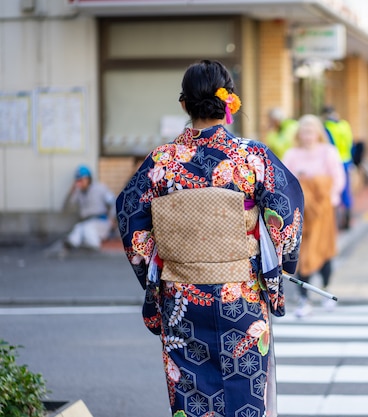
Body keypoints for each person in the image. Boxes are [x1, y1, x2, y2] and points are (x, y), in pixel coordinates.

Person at [115, 60, 304, 417]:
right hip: (242, 296)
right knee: (244, 392)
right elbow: (286, 215)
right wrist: (280, 270)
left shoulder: (162, 161)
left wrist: (156, 274)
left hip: (182, 297)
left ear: (184, 105)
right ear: (229, 102)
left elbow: (130, 218)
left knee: (191, 394)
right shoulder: (252, 156)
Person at [282, 114, 346, 317]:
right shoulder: (291, 154)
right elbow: (284, 180)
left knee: (325, 250)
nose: (307, 136)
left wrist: (327, 199)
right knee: (302, 254)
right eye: (304, 132)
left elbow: (338, 179)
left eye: (311, 131)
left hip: (324, 211)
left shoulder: (328, 152)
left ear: (318, 133)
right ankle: (304, 298)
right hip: (301, 213)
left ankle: (326, 289)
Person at [62, 165, 115, 250]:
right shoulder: (78, 192)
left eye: (82, 179)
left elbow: (113, 202)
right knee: (78, 227)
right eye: (78, 180)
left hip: (102, 221)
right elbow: (67, 208)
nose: (80, 182)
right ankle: (72, 243)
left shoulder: (100, 188)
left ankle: (93, 244)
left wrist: (112, 218)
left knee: (87, 227)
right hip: (86, 222)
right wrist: (71, 192)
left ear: (88, 179)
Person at [322, 105, 354, 230]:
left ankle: (337, 222)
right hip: (346, 161)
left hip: (333, 163)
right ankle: (347, 218)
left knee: (334, 192)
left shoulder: (327, 128)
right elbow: (350, 143)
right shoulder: (345, 125)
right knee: (346, 191)